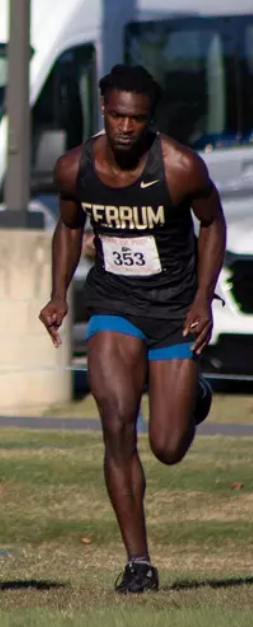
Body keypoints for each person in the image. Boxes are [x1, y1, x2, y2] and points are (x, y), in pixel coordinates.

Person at [38, 64, 225, 593]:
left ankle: (195, 395)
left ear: (150, 120)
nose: (125, 127)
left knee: (167, 445)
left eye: (136, 119)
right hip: (114, 303)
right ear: (102, 109)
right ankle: (138, 561)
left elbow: (213, 224)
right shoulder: (74, 169)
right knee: (116, 422)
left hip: (172, 312)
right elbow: (69, 226)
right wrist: (58, 294)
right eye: (117, 115)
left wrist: (201, 299)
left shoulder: (182, 167)